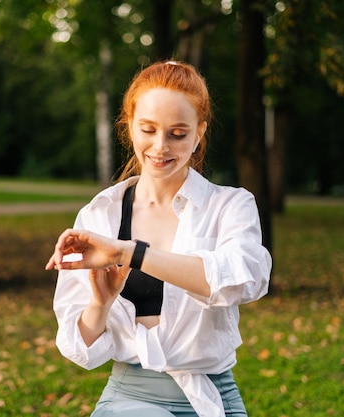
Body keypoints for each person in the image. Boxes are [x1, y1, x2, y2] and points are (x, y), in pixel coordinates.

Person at [45, 60, 272, 417]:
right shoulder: (100, 215)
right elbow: (80, 347)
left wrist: (132, 253)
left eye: (177, 134)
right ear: (130, 127)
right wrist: (101, 304)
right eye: (148, 129)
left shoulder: (231, 205)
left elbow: (245, 279)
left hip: (213, 396)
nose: (160, 147)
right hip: (128, 398)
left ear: (199, 133)